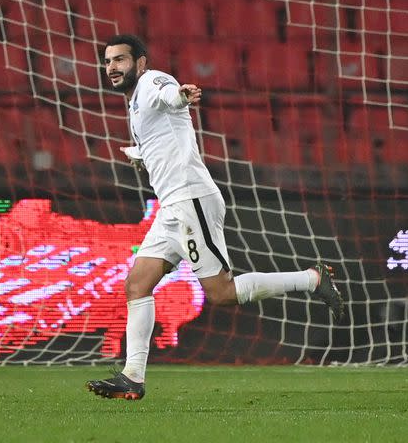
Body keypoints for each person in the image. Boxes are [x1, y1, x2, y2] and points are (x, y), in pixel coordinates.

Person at [86, 34, 345, 400]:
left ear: (140, 63)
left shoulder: (151, 81)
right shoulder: (134, 103)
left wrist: (181, 95)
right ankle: (133, 376)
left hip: (192, 200)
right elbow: (165, 136)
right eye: (108, 61)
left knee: (221, 293)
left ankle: (312, 279)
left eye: (120, 60)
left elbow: (169, 94)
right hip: (171, 207)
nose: (111, 67)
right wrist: (141, 154)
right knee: (137, 285)